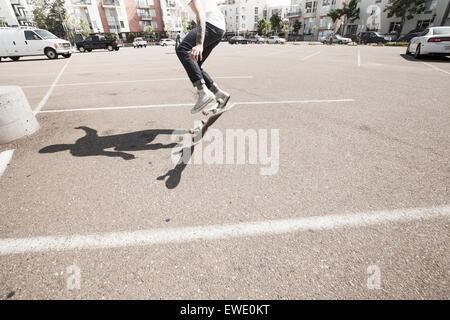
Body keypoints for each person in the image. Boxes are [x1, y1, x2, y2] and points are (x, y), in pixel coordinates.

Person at [177, 0, 230, 114]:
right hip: (219, 27)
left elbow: (200, 13)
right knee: (195, 64)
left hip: (210, 24)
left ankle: (203, 92)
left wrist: (199, 43)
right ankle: (219, 94)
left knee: (182, 50)